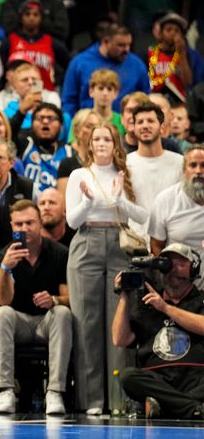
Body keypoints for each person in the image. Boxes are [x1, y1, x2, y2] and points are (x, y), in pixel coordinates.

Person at [65, 123, 148, 414]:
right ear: (89, 144)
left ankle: (119, 399)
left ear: (116, 143)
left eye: (107, 138)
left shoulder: (127, 174)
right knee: (86, 322)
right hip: (86, 241)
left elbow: (144, 216)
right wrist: (88, 202)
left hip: (119, 242)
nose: (102, 143)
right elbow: (72, 222)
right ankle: (92, 401)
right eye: (96, 138)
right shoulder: (79, 175)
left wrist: (119, 202)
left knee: (120, 320)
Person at [0, 200, 72, 415]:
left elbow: (70, 298)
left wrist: (54, 299)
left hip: (48, 322)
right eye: (18, 224)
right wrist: (5, 269)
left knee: (63, 312)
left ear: (39, 223)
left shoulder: (59, 253)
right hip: (19, 322)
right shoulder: (3, 256)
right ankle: (6, 390)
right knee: (1, 314)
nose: (24, 229)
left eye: (29, 223)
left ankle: (54, 391)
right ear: (11, 226)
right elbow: (3, 300)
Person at [112, 243, 204, 419]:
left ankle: (166, 406)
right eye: (168, 263)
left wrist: (165, 308)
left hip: (196, 378)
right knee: (128, 376)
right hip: (158, 379)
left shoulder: (201, 299)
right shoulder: (147, 303)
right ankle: (193, 408)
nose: (173, 269)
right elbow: (119, 339)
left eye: (181, 263)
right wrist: (124, 295)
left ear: (193, 270)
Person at [61, 23, 150, 117]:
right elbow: (68, 101)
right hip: (88, 125)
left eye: (128, 45)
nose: (126, 50)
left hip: (126, 126)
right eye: (121, 45)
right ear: (105, 41)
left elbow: (145, 98)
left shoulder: (137, 64)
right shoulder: (80, 63)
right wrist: (75, 125)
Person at [148, 146, 204, 289]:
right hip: (179, 288)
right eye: (193, 165)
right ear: (184, 170)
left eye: (203, 166)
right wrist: (171, 275)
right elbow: (156, 246)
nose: (198, 171)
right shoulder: (166, 200)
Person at [126, 102, 184, 235]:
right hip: (135, 242)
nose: (145, 125)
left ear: (162, 126)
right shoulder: (124, 164)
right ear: (134, 128)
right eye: (140, 122)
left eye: (151, 121)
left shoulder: (180, 163)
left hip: (172, 240)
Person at [0, 0, 70, 92]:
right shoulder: (9, 41)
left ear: (41, 18)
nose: (31, 18)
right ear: (21, 18)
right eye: (27, 14)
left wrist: (58, 79)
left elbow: (69, 64)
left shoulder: (51, 42)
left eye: (36, 14)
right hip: (15, 94)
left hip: (46, 93)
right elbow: (0, 69)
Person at [14, 102, 72, 193]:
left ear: (61, 126)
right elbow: (7, 135)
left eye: (51, 118)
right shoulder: (25, 145)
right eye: (40, 118)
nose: (45, 122)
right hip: (28, 204)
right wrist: (21, 112)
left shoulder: (69, 152)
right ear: (32, 125)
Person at [147, 12, 204, 104]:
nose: (173, 33)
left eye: (177, 30)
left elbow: (188, 83)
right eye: (168, 30)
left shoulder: (187, 55)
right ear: (160, 34)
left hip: (179, 103)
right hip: (154, 101)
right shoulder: (149, 54)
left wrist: (181, 54)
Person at [0, 0, 69, 41]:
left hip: (50, 50)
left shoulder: (56, 4)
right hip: (17, 49)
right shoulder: (11, 4)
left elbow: (61, 31)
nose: (31, 18)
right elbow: (9, 29)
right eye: (27, 14)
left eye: (35, 15)